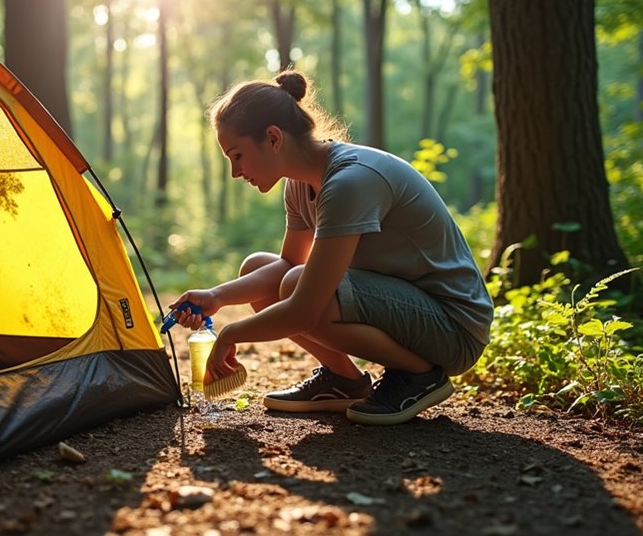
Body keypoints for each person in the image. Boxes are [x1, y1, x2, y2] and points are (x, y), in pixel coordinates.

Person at [168, 70, 493, 425]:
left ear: (273, 138)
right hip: (409, 308)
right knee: (258, 267)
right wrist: (217, 296)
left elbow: (304, 309)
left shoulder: (350, 181)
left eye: (238, 155)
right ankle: (344, 380)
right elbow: (289, 263)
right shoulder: (299, 184)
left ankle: (420, 376)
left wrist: (232, 333)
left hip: (453, 327)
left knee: (295, 286)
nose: (235, 172)